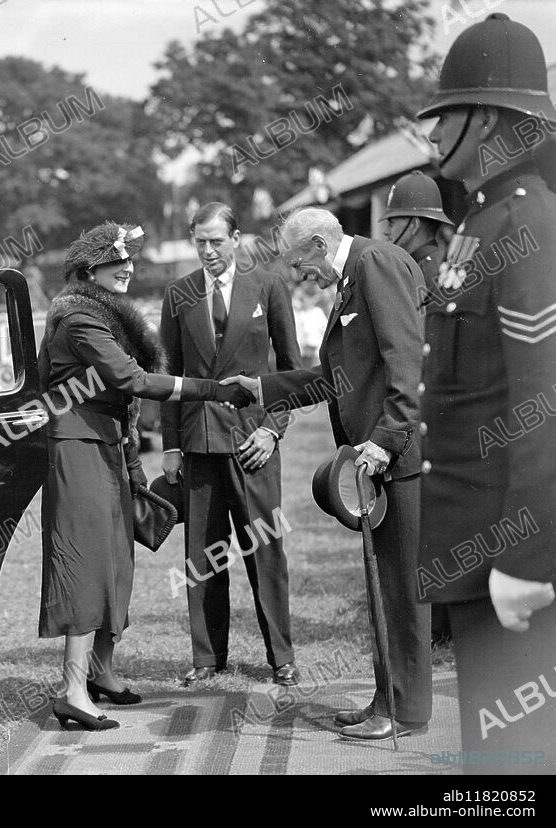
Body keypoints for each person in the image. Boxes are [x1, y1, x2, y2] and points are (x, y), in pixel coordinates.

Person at [222, 207, 431, 742]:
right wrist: (266, 388)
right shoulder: (352, 273)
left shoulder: (376, 263)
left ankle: (405, 712)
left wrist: (385, 442)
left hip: (392, 457)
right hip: (370, 459)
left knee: (402, 591)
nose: (299, 276)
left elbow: (405, 360)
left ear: (318, 244)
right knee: (382, 587)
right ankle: (387, 698)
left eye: (298, 262)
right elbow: (339, 376)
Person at [38, 221, 253, 731]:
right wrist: (214, 390)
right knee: (87, 564)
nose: (130, 268)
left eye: (132, 260)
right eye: (119, 262)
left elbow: (124, 399)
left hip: (108, 446)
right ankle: (72, 690)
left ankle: (101, 673)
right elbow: (133, 380)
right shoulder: (78, 319)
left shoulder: (99, 315)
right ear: (91, 269)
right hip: (77, 447)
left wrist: (134, 464)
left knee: (116, 559)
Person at [415, 13, 556, 772]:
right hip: (474, 548)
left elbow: (543, 408)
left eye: (446, 115)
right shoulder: (480, 220)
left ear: (494, 118)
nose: (433, 136)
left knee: (516, 764)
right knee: (491, 758)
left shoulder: (530, 220)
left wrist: (528, 561)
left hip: (509, 555)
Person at [159, 202, 302, 687]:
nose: (207, 251)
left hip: (253, 442)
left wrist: (272, 428)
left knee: (265, 551)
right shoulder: (178, 294)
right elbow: (170, 377)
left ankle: (281, 657)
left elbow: (289, 369)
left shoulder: (267, 286)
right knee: (202, 555)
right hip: (199, 443)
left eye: (216, 241)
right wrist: (172, 445)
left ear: (236, 239)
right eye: (199, 241)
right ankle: (206, 657)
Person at [380, 170, 455, 646]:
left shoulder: (425, 271)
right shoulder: (425, 264)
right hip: (428, 410)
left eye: (393, 223)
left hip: (429, 412)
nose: (387, 233)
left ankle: (438, 623)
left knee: (427, 526)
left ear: (414, 221)